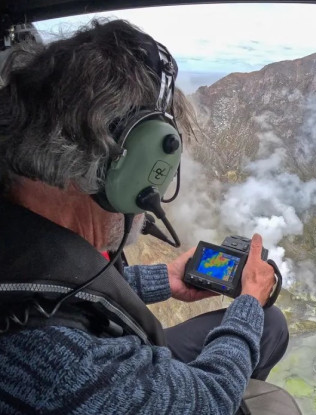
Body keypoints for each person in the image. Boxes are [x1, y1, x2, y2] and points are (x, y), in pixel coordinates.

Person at [0, 19, 289, 414]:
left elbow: (69, 294)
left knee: (270, 326)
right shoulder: (60, 362)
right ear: (123, 170)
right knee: (260, 329)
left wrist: (165, 279)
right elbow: (210, 402)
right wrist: (249, 302)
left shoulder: (21, 239)